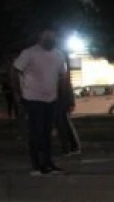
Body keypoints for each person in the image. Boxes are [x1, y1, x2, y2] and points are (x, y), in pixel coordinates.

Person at [11, 27, 70, 175]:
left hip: (51, 99)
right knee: (36, 131)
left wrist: (62, 95)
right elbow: (14, 70)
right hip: (32, 98)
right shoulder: (29, 53)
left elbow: (62, 75)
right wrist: (17, 92)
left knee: (47, 132)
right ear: (40, 37)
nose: (50, 39)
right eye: (46, 36)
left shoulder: (58, 54)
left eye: (52, 36)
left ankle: (48, 162)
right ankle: (37, 165)